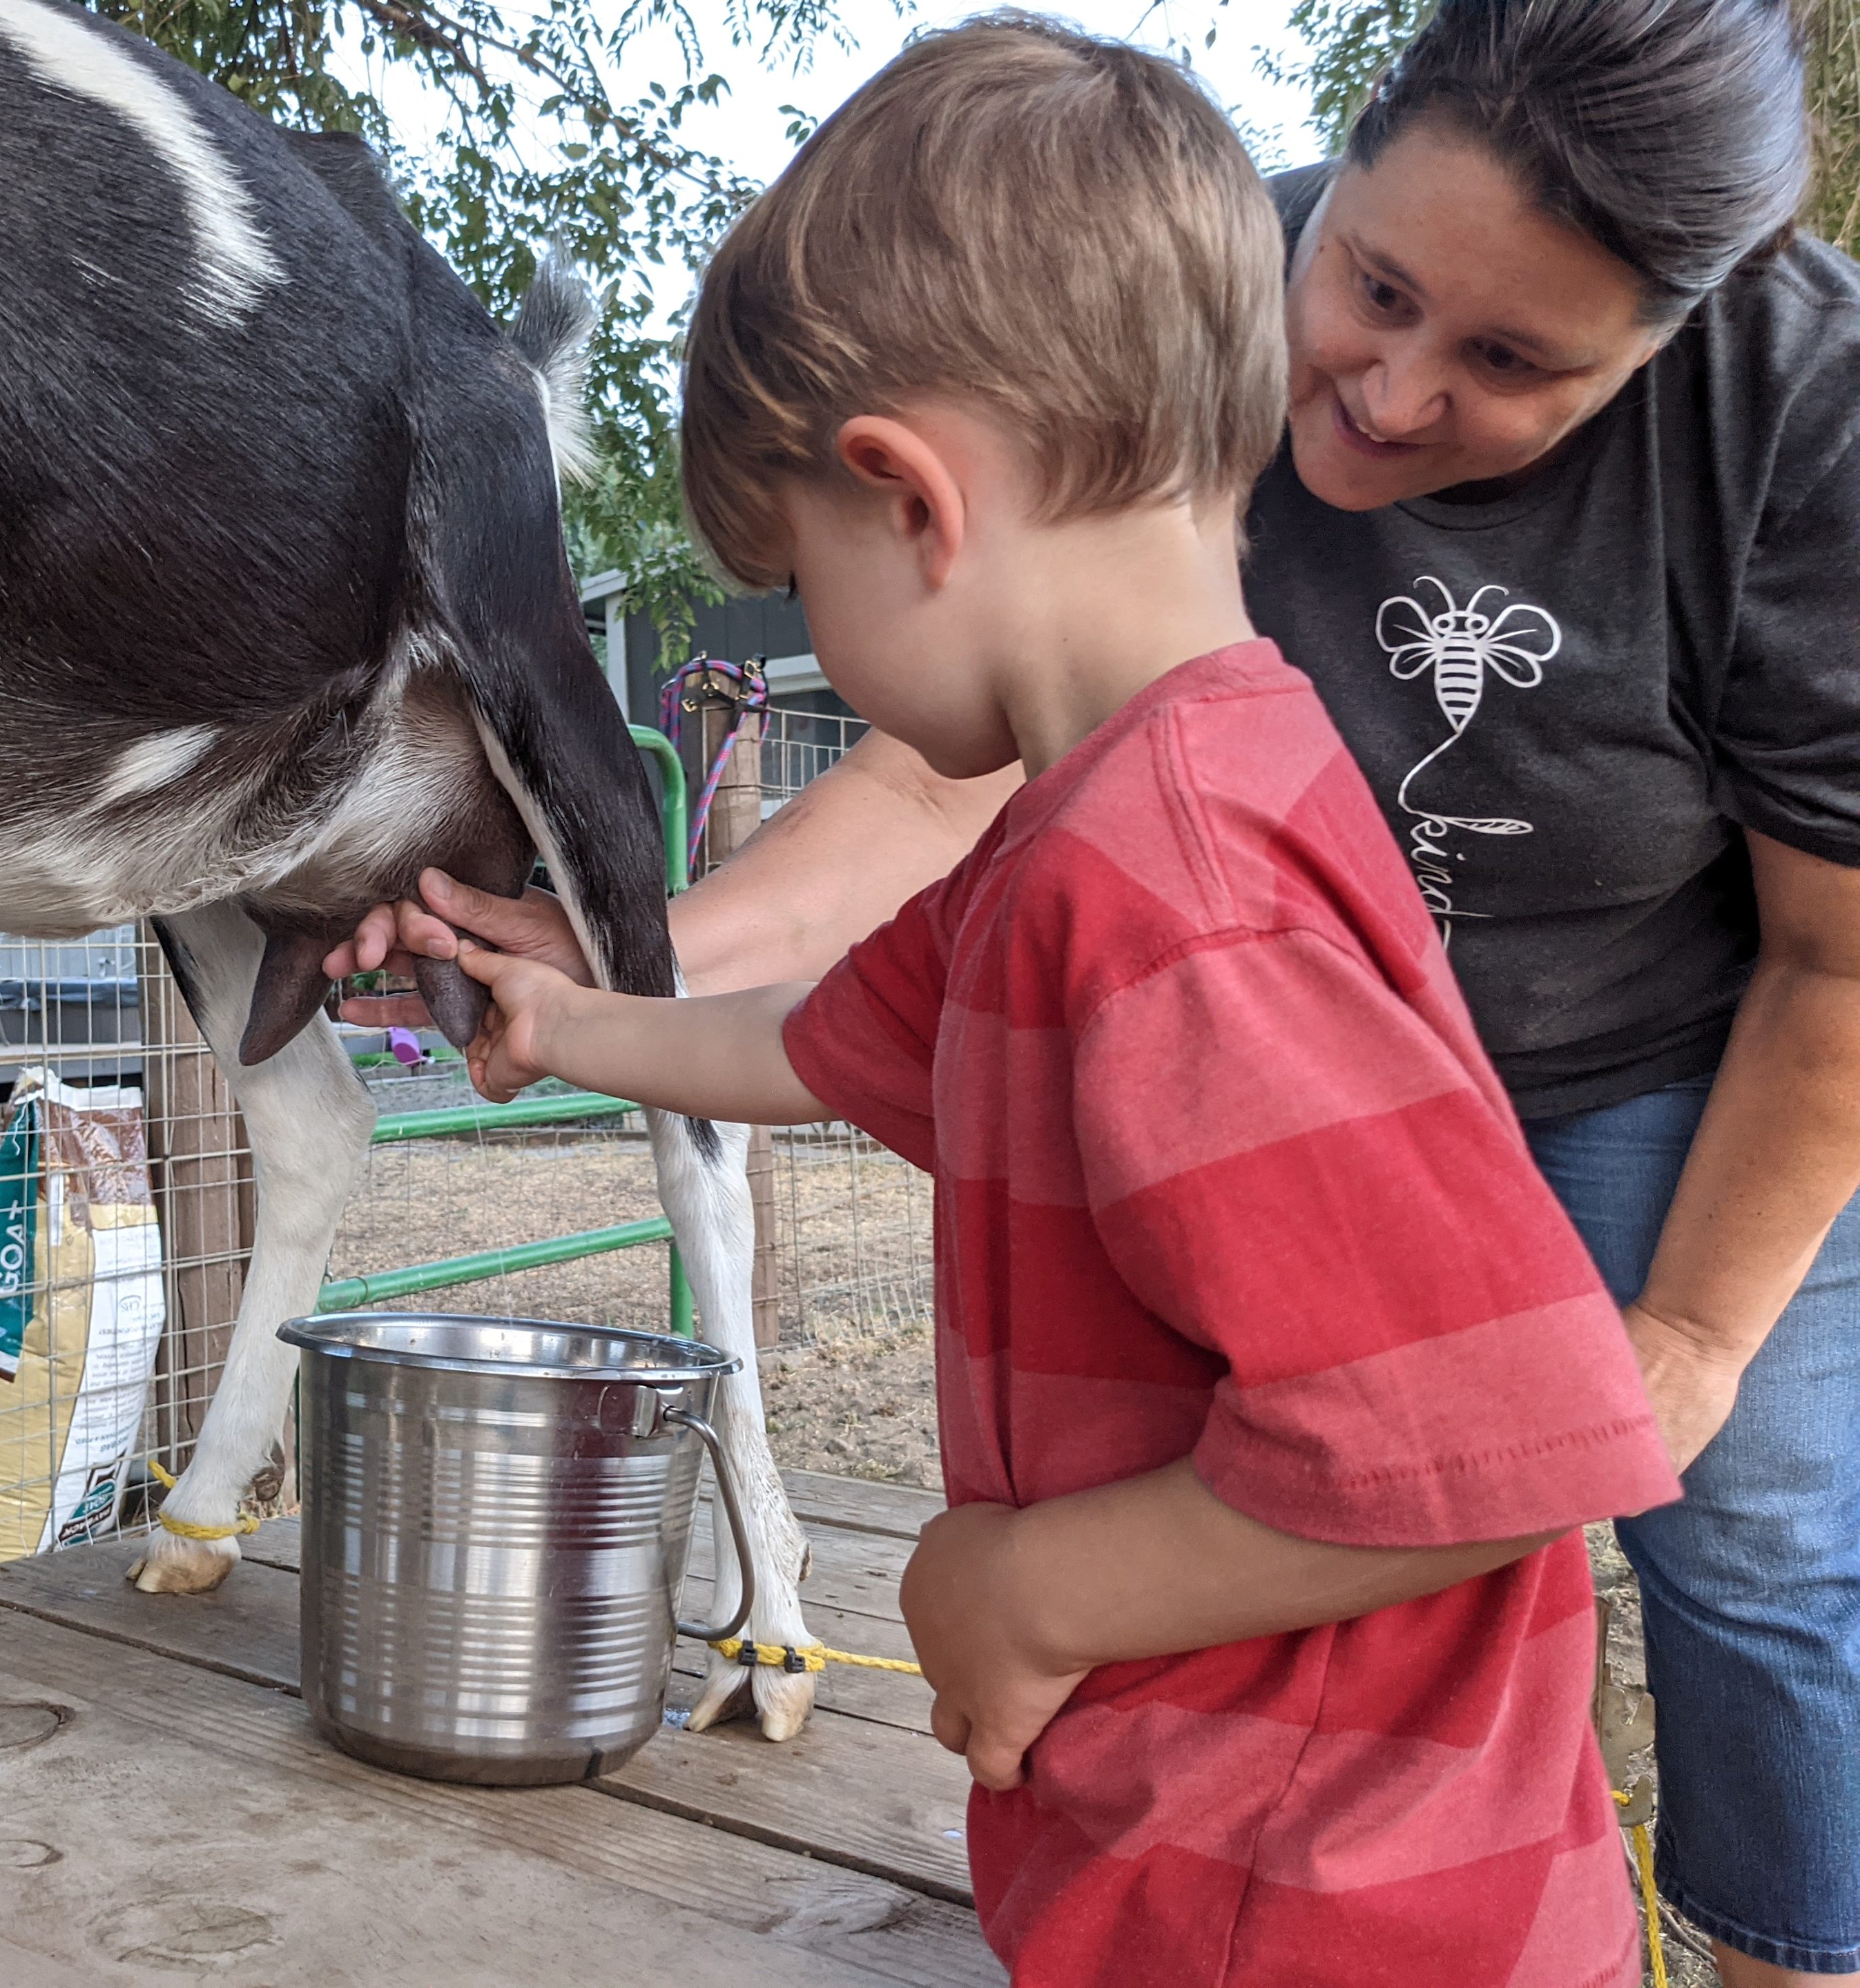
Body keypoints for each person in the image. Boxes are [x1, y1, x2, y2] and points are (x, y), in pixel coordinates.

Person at [347, 3, 1860, 1978]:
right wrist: (573, 1016)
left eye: (803, 584)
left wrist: (1031, 1584)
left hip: (1328, 1909)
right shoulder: (1110, 823)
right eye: (1383, 294)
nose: (1398, 384)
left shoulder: (1184, 898)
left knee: (1770, 1565)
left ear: (915, 504)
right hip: (1219, 1856)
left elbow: (1501, 1447)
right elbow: (827, 1035)